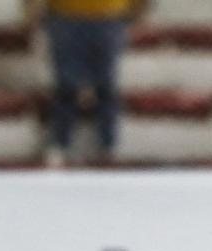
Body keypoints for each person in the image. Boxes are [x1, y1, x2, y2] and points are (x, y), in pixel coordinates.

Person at [23, 0, 149, 166]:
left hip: (109, 18)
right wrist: (32, 15)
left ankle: (109, 146)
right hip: (65, 19)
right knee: (66, 87)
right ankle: (59, 145)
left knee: (106, 87)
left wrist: (139, 12)